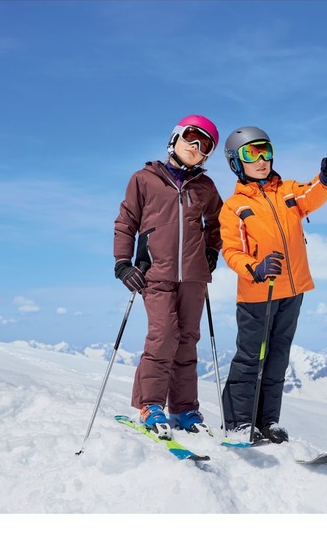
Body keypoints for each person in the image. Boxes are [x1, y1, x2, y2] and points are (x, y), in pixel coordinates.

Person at [219, 126, 327, 443]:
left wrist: (326, 178)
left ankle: (267, 422)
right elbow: (231, 250)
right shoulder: (234, 206)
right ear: (236, 162)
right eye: (251, 153)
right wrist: (254, 267)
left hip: (293, 291)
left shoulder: (287, 191)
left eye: (266, 150)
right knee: (251, 359)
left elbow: (311, 194)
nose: (262, 159)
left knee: (278, 358)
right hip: (256, 294)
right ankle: (237, 422)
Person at [113, 114, 223, 438]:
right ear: (175, 138)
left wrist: (212, 250)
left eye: (206, 145)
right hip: (155, 274)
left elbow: (219, 223)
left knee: (188, 342)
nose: (197, 147)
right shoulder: (144, 179)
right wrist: (123, 262)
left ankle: (186, 408)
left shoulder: (205, 187)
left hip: (193, 277)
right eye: (192, 137)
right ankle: (150, 404)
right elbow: (126, 221)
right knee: (163, 337)